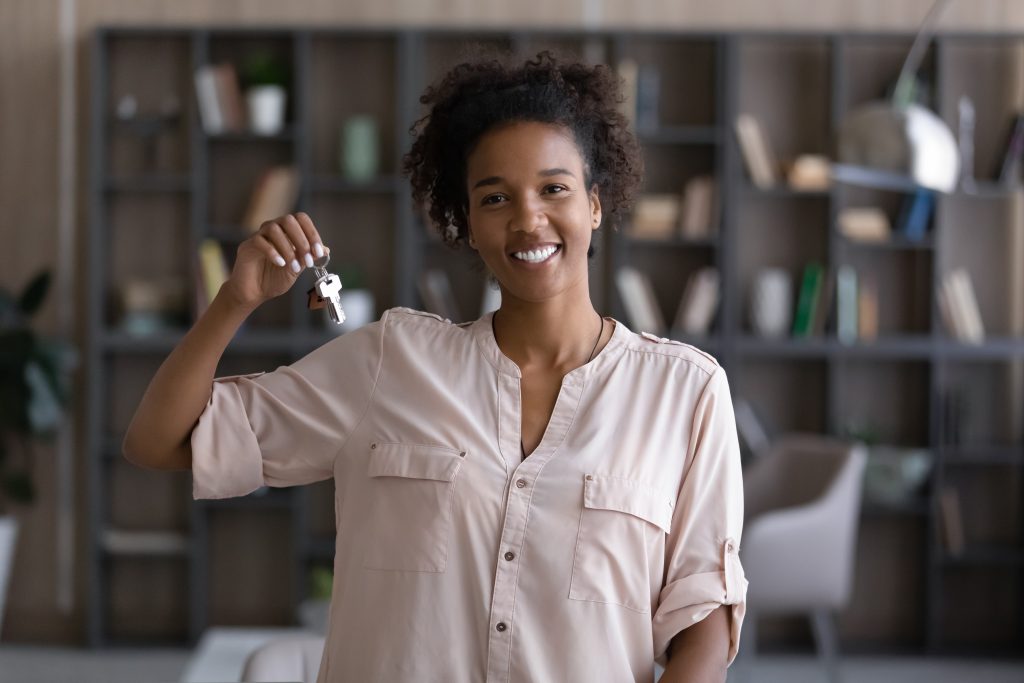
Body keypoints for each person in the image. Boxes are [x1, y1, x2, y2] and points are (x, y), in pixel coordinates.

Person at [124, 50, 747, 682]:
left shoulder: (686, 394)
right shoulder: (391, 362)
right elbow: (160, 440)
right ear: (467, 224)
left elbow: (704, 624)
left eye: (553, 188)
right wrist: (236, 301)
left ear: (593, 203)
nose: (528, 218)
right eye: (495, 196)